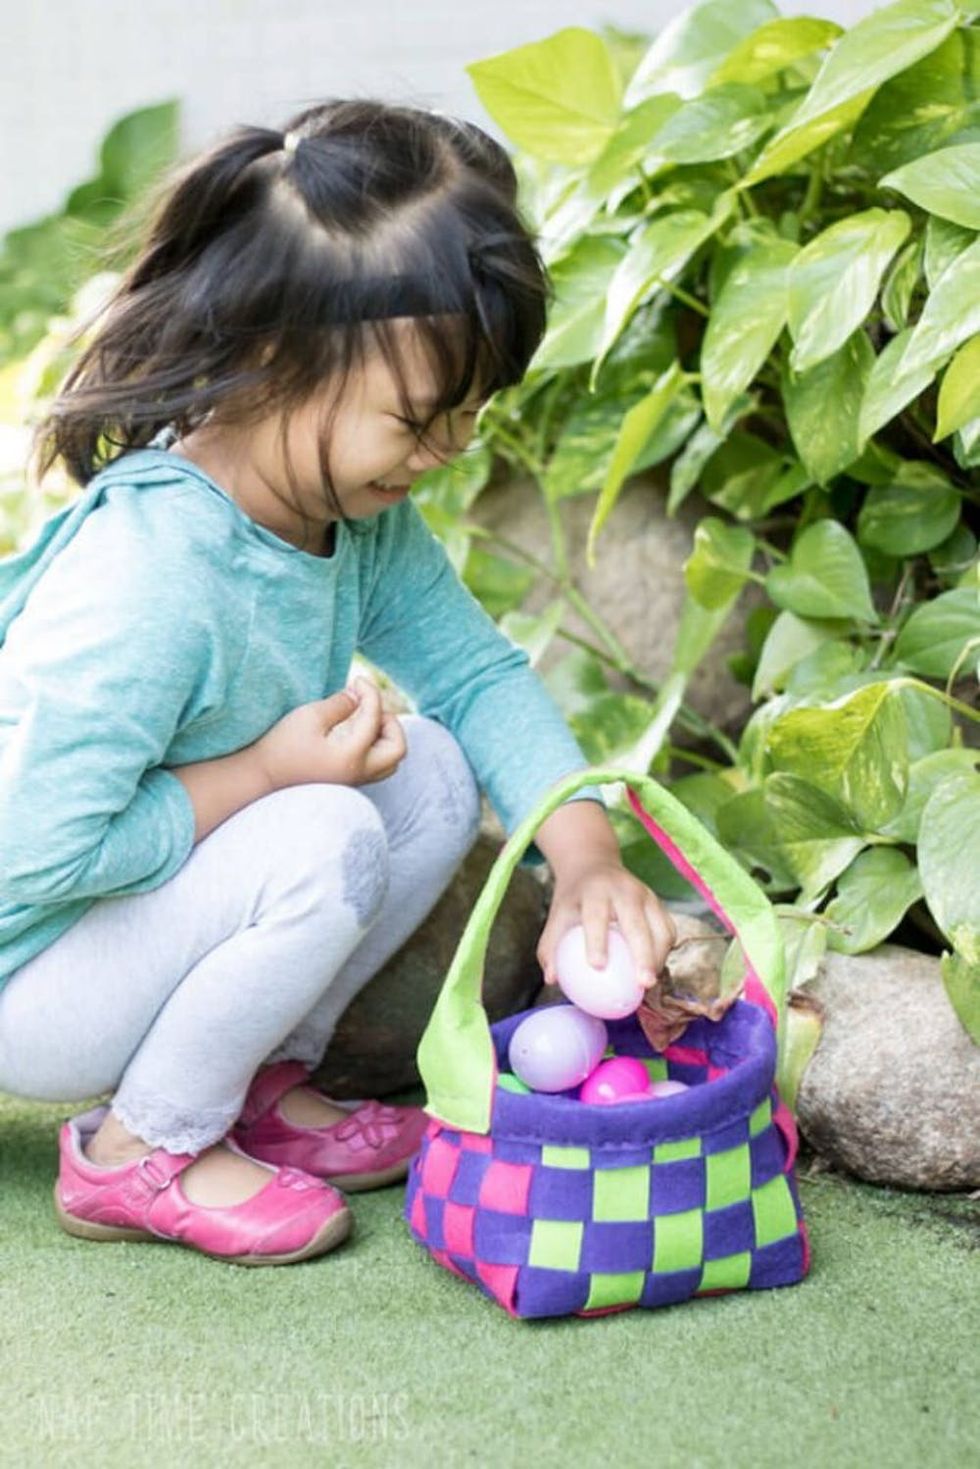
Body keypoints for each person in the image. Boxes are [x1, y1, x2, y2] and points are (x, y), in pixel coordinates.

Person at [0, 99, 677, 1267]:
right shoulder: (151, 575)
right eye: (417, 418)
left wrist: (583, 854)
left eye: (470, 412)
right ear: (273, 361)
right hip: (31, 965)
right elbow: (33, 854)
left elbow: (474, 675)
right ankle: (139, 1147)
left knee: (430, 769)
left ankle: (247, 1079)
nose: (449, 448)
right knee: (324, 828)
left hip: (119, 919)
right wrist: (264, 773)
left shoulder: (344, 516)